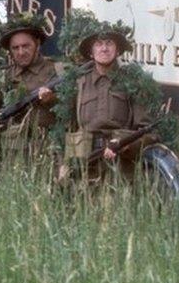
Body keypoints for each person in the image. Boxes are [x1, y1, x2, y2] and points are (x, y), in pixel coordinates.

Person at [53, 15, 162, 184]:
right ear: (91, 52)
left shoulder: (133, 83)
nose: (104, 48)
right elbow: (66, 128)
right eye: (98, 44)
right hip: (85, 168)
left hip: (121, 169)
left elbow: (149, 133)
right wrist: (64, 166)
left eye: (109, 43)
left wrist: (126, 145)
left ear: (118, 50)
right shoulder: (78, 83)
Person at [0, 13, 61, 163]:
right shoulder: (3, 75)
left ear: (37, 44)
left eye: (26, 46)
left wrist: (52, 99)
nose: (21, 52)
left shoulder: (57, 70)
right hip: (12, 153)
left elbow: (74, 106)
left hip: (49, 151)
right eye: (15, 48)